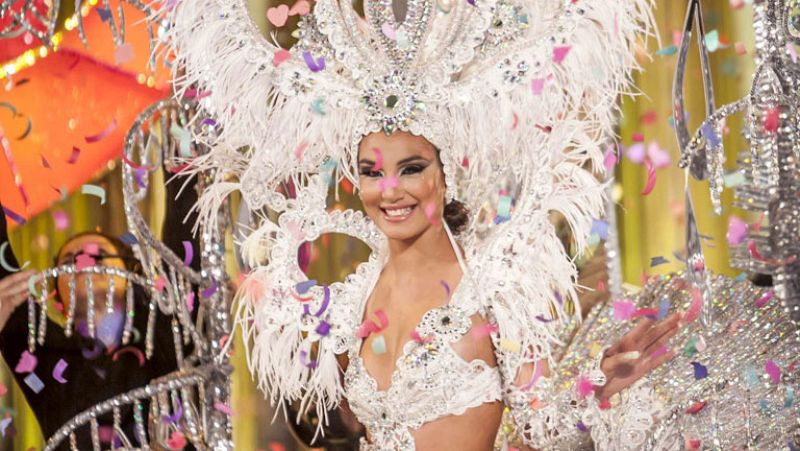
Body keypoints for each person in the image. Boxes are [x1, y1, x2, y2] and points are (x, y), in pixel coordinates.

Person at [159, 0, 673, 449]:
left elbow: (542, 429)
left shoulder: (492, 288)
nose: (390, 190)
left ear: (445, 176)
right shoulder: (356, 297)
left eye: (411, 168)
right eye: (371, 172)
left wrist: (598, 387)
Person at [0, 173, 199, 450]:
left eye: (98, 256)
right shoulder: (43, 353)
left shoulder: (168, 332)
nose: (84, 264)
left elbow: (183, 243)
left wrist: (180, 153)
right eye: (70, 261)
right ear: (59, 294)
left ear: (130, 274)